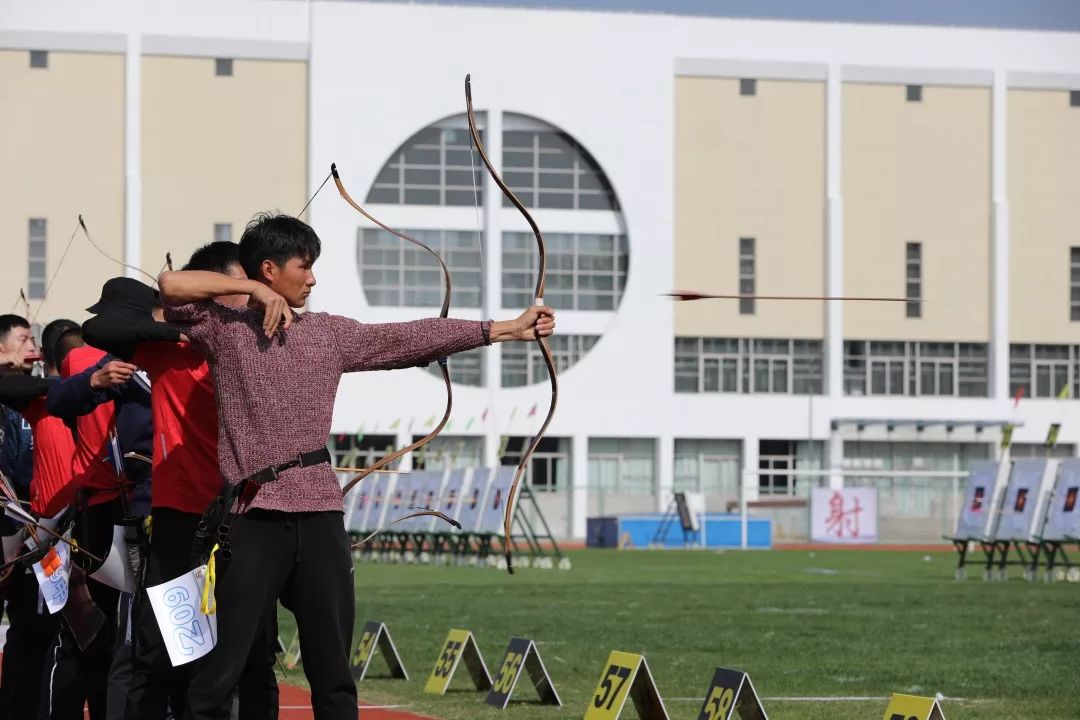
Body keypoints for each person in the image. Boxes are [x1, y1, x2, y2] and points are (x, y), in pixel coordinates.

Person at [158, 212, 555, 720]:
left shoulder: (328, 334)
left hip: (322, 517)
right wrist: (253, 293)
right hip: (256, 517)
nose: (313, 277)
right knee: (220, 674)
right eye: (304, 266)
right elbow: (171, 285)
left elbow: (411, 337)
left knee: (334, 676)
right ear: (268, 269)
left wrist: (500, 329)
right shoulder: (224, 329)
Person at [83, 243, 279, 720]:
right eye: (239, 289)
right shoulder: (167, 348)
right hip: (180, 520)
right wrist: (188, 333)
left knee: (255, 654)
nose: (253, 302)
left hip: (245, 519)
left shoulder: (260, 348)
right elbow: (98, 327)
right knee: (163, 650)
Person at [0, 314, 54, 720]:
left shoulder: (31, 396)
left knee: (30, 632)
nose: (31, 347)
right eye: (22, 339)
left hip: (30, 532)